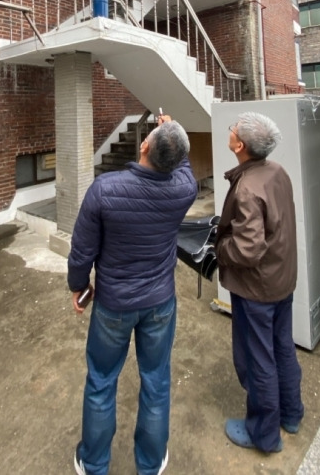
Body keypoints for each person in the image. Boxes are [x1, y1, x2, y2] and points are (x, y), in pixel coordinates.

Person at [68, 114, 198, 475]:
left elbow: (82, 251)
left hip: (114, 304)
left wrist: (79, 287)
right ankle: (150, 462)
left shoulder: (105, 189)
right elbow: (182, 164)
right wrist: (171, 134)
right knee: (156, 381)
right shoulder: (184, 189)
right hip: (160, 303)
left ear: (144, 145)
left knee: (101, 381)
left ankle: (94, 463)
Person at [214, 111, 304, 454]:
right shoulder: (276, 172)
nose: (230, 130)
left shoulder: (248, 188)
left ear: (240, 145)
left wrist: (221, 248)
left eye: (233, 128)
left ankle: (263, 434)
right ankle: (291, 413)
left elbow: (248, 247)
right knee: (282, 348)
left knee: (258, 360)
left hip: (256, 289)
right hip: (282, 278)